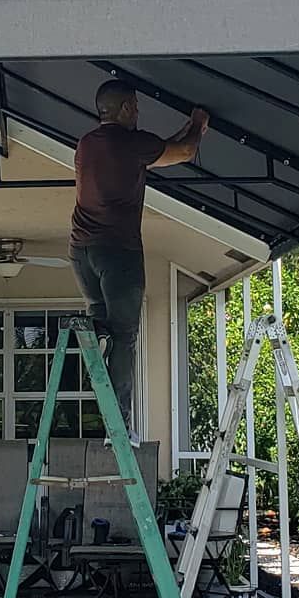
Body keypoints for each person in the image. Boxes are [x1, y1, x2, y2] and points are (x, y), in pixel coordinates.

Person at [69, 79, 209, 446]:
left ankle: (98, 331)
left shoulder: (87, 144)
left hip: (82, 251)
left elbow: (160, 151)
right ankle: (120, 424)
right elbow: (184, 152)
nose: (139, 113)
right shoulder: (131, 142)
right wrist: (198, 123)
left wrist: (185, 131)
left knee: (104, 323)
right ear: (128, 108)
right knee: (125, 337)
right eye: (136, 107)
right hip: (119, 254)